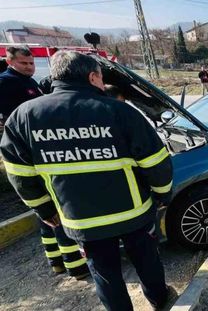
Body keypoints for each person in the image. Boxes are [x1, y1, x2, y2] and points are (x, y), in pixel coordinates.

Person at [0, 51, 174, 311]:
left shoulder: (24, 117)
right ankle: (160, 300)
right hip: (133, 213)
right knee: (147, 262)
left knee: (104, 274)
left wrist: (45, 210)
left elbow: (20, 175)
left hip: (81, 220)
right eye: (102, 79)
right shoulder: (119, 111)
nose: (103, 85)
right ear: (92, 76)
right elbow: (156, 162)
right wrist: (162, 195)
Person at [0, 47, 89, 280]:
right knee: (57, 211)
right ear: (9, 61)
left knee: (45, 212)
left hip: (34, 151)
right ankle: (75, 265)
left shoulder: (29, 82)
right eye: (24, 63)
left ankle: (55, 261)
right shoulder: (6, 83)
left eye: (31, 63)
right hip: (31, 153)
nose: (29, 67)